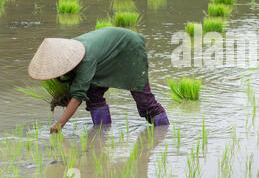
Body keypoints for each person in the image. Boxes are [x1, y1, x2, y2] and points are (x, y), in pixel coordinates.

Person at [27, 27, 169, 133]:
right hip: (105, 56)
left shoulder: (84, 58)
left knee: (145, 101)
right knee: (93, 96)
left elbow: (78, 97)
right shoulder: (71, 50)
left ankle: (163, 135)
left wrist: (59, 125)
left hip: (129, 47)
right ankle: (102, 135)